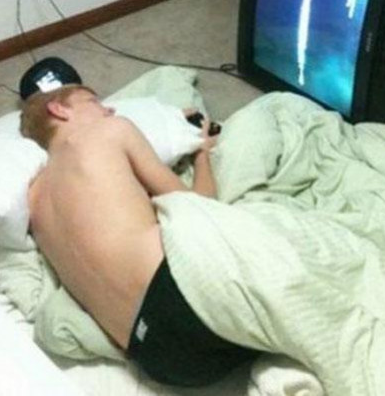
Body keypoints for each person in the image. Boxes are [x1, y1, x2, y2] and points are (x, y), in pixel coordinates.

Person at [20, 82, 259, 387]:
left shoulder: (33, 199)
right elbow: (201, 208)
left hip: (164, 362)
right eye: (94, 102)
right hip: (189, 299)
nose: (109, 109)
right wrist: (202, 152)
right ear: (59, 109)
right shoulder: (110, 130)